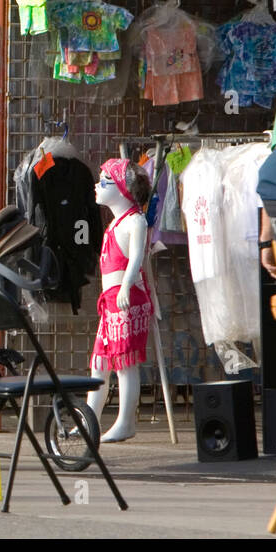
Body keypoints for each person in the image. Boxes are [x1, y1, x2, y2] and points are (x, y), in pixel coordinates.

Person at [87, 158, 155, 443]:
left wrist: (127, 285)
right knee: (100, 362)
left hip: (126, 300)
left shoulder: (135, 221)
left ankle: (126, 421)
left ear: (125, 190)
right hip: (111, 301)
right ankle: (89, 416)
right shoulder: (116, 223)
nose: (97, 185)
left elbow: (136, 257)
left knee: (125, 363)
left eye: (105, 180)